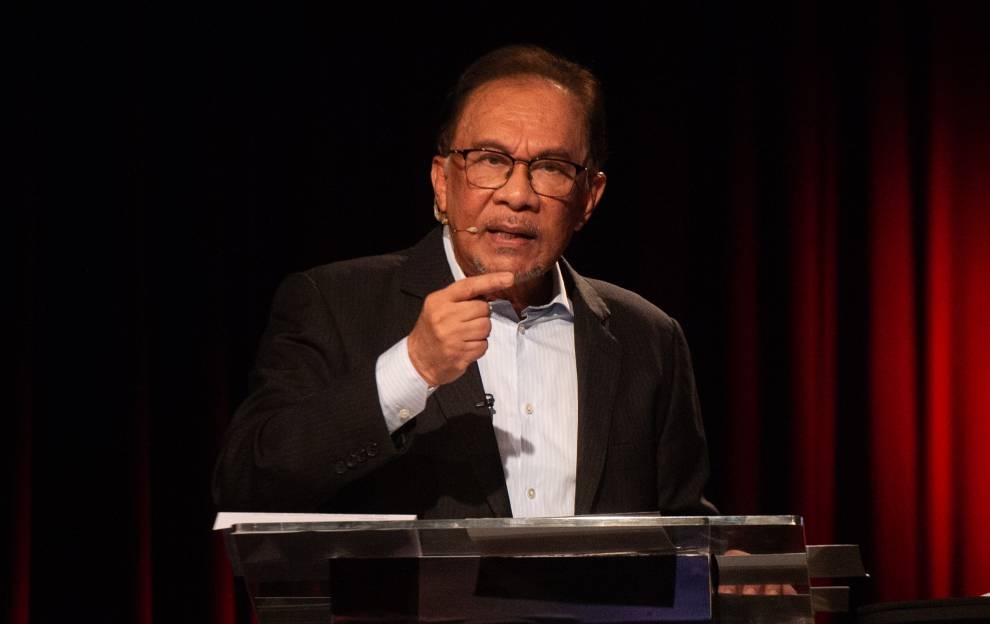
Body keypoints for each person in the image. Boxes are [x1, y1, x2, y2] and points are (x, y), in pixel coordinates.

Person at [212, 42, 718, 523]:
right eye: (491, 161)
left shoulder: (649, 338)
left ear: (589, 197)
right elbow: (248, 484)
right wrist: (412, 367)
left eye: (551, 168)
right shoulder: (334, 303)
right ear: (441, 181)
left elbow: (682, 527)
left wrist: (738, 569)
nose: (518, 195)